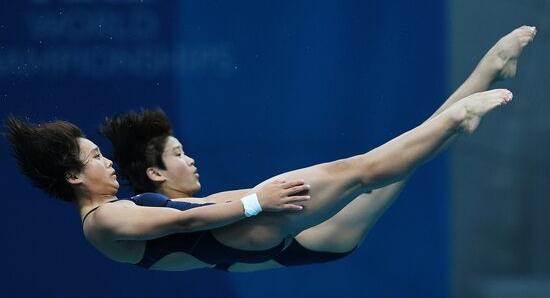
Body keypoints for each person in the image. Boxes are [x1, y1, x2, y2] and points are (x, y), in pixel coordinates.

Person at [4, 27, 532, 272]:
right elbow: (185, 223)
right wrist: (261, 201)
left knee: (389, 167)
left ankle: (478, 84)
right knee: (365, 167)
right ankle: (465, 107)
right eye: (94, 157)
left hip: (279, 242)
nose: (105, 162)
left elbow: (188, 214)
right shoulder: (102, 223)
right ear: (73, 177)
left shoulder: (117, 211)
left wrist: (255, 204)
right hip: (257, 231)